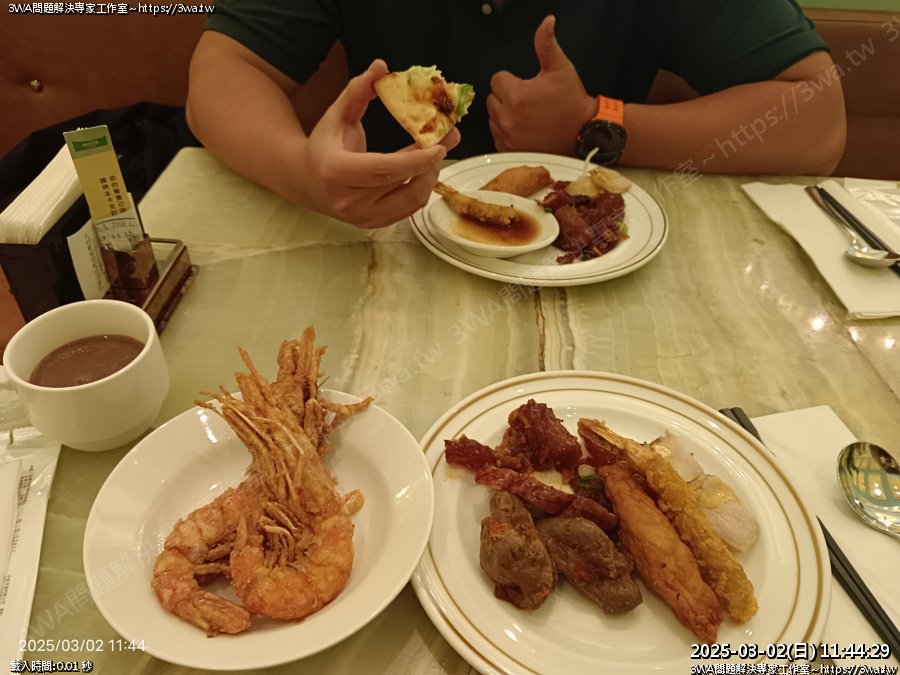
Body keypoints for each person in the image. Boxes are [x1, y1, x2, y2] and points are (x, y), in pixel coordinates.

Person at [186, 1, 846, 229]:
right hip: (383, 242)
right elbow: (225, 69)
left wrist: (592, 120)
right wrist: (302, 172)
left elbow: (817, 119)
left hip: (593, 248)